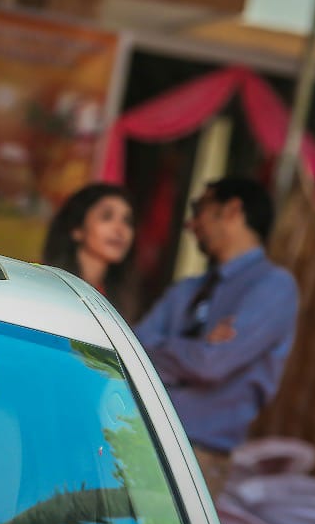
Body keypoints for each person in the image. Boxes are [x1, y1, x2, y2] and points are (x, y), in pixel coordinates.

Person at [133, 176, 299, 498]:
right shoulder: (186, 289)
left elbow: (211, 365)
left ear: (232, 210)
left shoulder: (274, 287)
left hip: (197, 456)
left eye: (199, 208)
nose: (190, 223)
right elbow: (130, 352)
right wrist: (196, 349)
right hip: (136, 434)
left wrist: (163, 353)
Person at [42, 182, 137, 320]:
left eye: (127, 221)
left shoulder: (122, 300)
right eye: (107, 216)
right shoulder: (47, 286)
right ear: (77, 229)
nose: (120, 229)